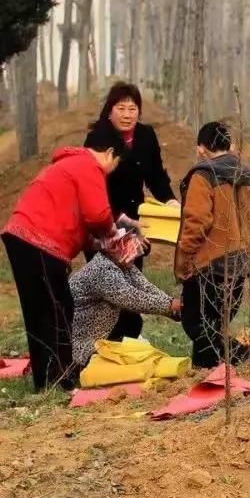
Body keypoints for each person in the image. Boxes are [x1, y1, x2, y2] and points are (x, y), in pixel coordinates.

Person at [1, 131, 125, 390]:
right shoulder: (89, 166)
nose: (112, 171)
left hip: (25, 236)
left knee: (43, 309)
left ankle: (48, 379)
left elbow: (78, 222)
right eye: (115, 164)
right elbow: (98, 215)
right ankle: (60, 378)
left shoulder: (69, 165)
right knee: (55, 309)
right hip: (39, 240)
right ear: (110, 153)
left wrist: (98, 242)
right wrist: (114, 235)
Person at [84, 81, 179, 342]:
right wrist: (116, 228)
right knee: (109, 284)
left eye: (132, 108)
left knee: (132, 278)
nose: (127, 114)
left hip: (135, 222)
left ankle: (128, 339)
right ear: (109, 111)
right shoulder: (97, 139)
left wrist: (170, 200)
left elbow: (156, 175)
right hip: (103, 221)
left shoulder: (146, 136)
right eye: (121, 108)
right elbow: (93, 189)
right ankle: (104, 341)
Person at [175, 122, 250, 368]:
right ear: (230, 145)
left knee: (196, 323)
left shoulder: (203, 176)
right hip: (239, 261)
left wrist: (185, 258)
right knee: (215, 323)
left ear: (201, 148)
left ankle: (243, 355)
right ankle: (205, 372)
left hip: (208, 264)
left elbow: (197, 222)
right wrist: (246, 240)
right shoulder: (248, 174)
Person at [70, 230, 182, 367]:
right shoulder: (102, 269)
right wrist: (170, 305)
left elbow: (145, 287)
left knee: (132, 320)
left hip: (101, 330)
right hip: (84, 342)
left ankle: (115, 357)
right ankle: (95, 363)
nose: (135, 249)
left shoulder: (121, 262)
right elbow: (132, 298)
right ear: (112, 248)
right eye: (127, 243)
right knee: (130, 318)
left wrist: (171, 306)